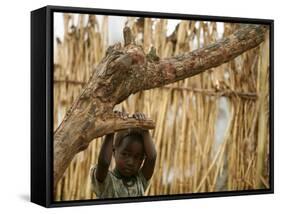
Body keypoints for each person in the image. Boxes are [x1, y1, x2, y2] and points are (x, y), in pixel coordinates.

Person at [90, 111, 157, 198]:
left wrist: (144, 128)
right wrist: (112, 128)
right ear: (113, 151)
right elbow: (104, 162)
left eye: (137, 157)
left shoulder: (140, 181)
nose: (131, 162)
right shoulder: (106, 182)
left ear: (142, 160)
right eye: (125, 154)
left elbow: (152, 157)